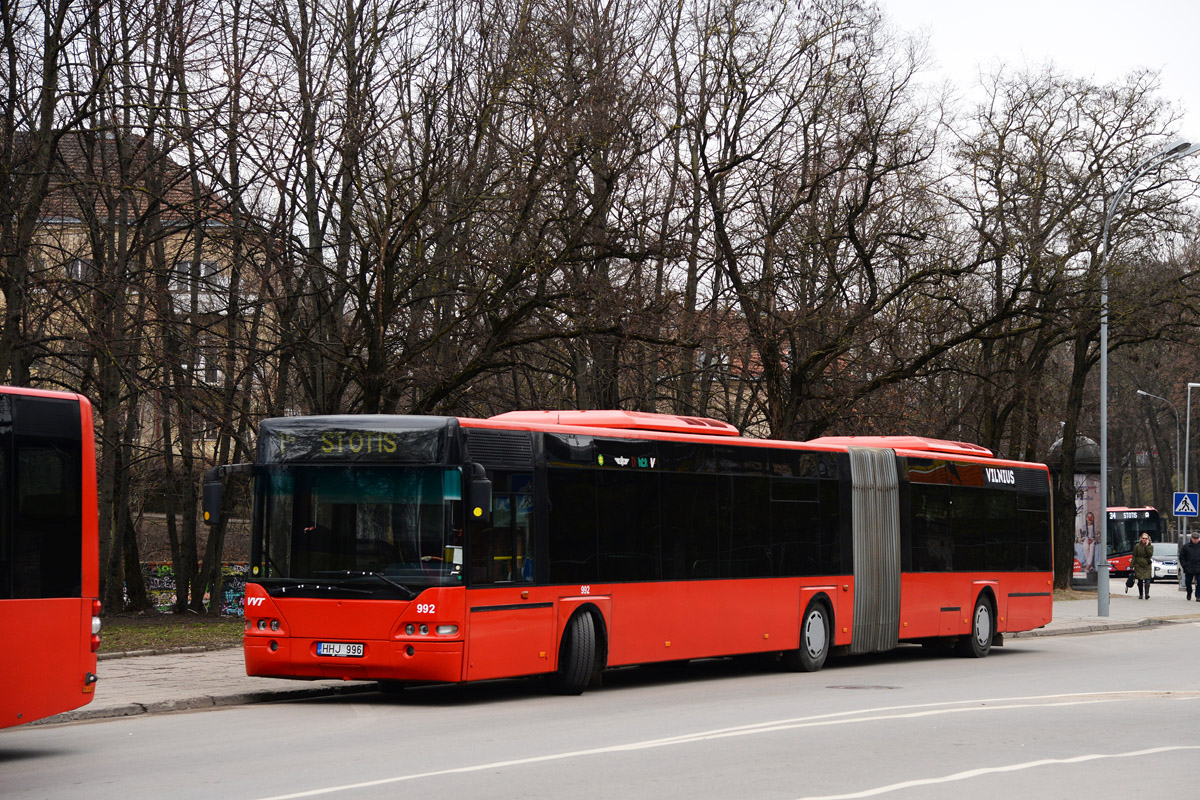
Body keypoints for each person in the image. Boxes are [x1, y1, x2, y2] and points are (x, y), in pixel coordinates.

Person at [1131, 533, 1154, 600]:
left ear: (1148, 539)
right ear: (1141, 538)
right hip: (1139, 565)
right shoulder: (1137, 546)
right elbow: (1134, 555)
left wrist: (1147, 546)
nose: (1144, 540)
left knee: (1147, 580)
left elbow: (1150, 554)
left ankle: (1147, 594)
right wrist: (1132, 565)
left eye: (1146, 538)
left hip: (1146, 564)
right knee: (1140, 580)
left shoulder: (1150, 546)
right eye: (1143, 538)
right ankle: (1141, 594)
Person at [1181, 532, 1200, 602]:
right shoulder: (1186, 547)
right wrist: (1184, 565)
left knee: (1199, 582)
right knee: (1188, 582)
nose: (1195, 540)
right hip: (1189, 567)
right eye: (1194, 538)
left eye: (1197, 538)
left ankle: (1198, 595)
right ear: (1191, 538)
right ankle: (1189, 592)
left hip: (1199, 567)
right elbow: (1182, 556)